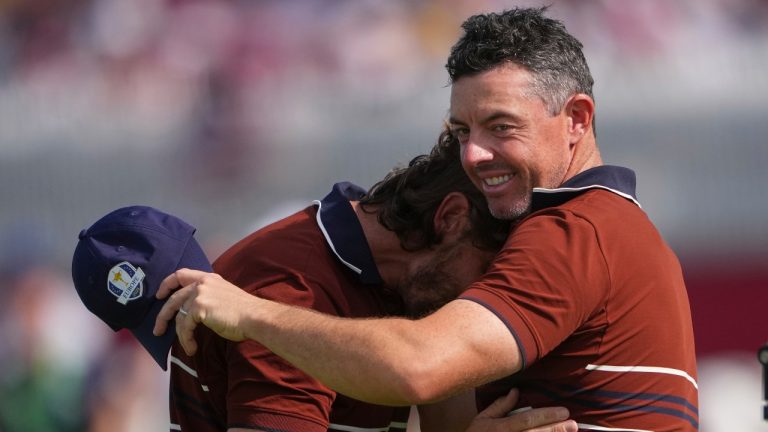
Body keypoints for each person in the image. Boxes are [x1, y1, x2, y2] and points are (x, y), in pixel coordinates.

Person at [153, 6, 699, 432]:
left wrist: (250, 315)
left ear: (577, 119)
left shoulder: (573, 232)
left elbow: (418, 366)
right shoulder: (611, 227)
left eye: (501, 126)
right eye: (463, 131)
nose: (474, 155)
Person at [72, 132, 577, 432]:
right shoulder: (283, 288)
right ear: (448, 219)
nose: (487, 296)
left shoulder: (412, 287)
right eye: (490, 270)